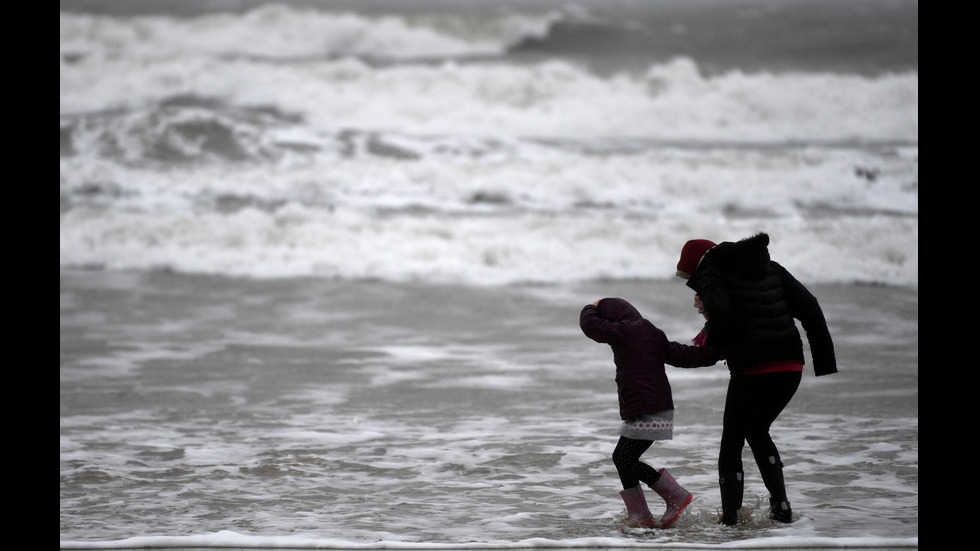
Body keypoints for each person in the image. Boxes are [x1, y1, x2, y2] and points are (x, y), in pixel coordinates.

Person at [675, 233, 838, 526]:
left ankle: (730, 519)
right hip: (790, 365)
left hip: (754, 367)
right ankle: (781, 508)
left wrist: (718, 346)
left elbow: (722, 314)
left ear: (699, 266)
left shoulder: (712, 272)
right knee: (757, 429)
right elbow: (810, 306)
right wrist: (824, 361)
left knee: (732, 441)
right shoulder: (771, 267)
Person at [580, 297, 720, 528]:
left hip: (647, 408)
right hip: (655, 407)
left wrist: (591, 307)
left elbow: (592, 327)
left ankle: (674, 496)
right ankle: (640, 515)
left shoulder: (627, 329)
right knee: (623, 458)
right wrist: (713, 354)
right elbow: (681, 354)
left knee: (624, 458)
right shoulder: (649, 331)